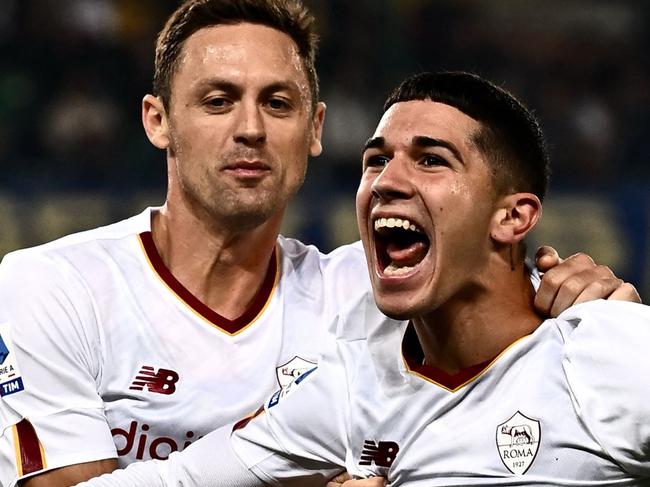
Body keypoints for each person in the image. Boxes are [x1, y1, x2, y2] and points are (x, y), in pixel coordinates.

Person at [0, 0, 637, 484]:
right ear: (158, 120)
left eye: (278, 103)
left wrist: (593, 304)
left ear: (315, 128)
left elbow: (499, 299)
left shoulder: (369, 293)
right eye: (218, 100)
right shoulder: (53, 286)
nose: (250, 129)